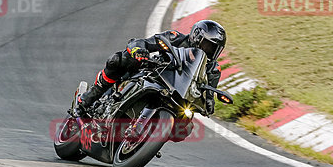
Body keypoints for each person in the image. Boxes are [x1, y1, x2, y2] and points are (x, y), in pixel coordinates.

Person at [74, 20, 227, 126]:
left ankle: (148, 135)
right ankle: (91, 95)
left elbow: (208, 95)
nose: (209, 51)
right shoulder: (175, 38)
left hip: (178, 93)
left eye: (214, 49)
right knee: (119, 60)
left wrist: (209, 104)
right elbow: (143, 42)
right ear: (196, 37)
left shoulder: (213, 70)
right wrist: (139, 50)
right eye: (207, 46)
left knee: (185, 127)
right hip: (154, 73)